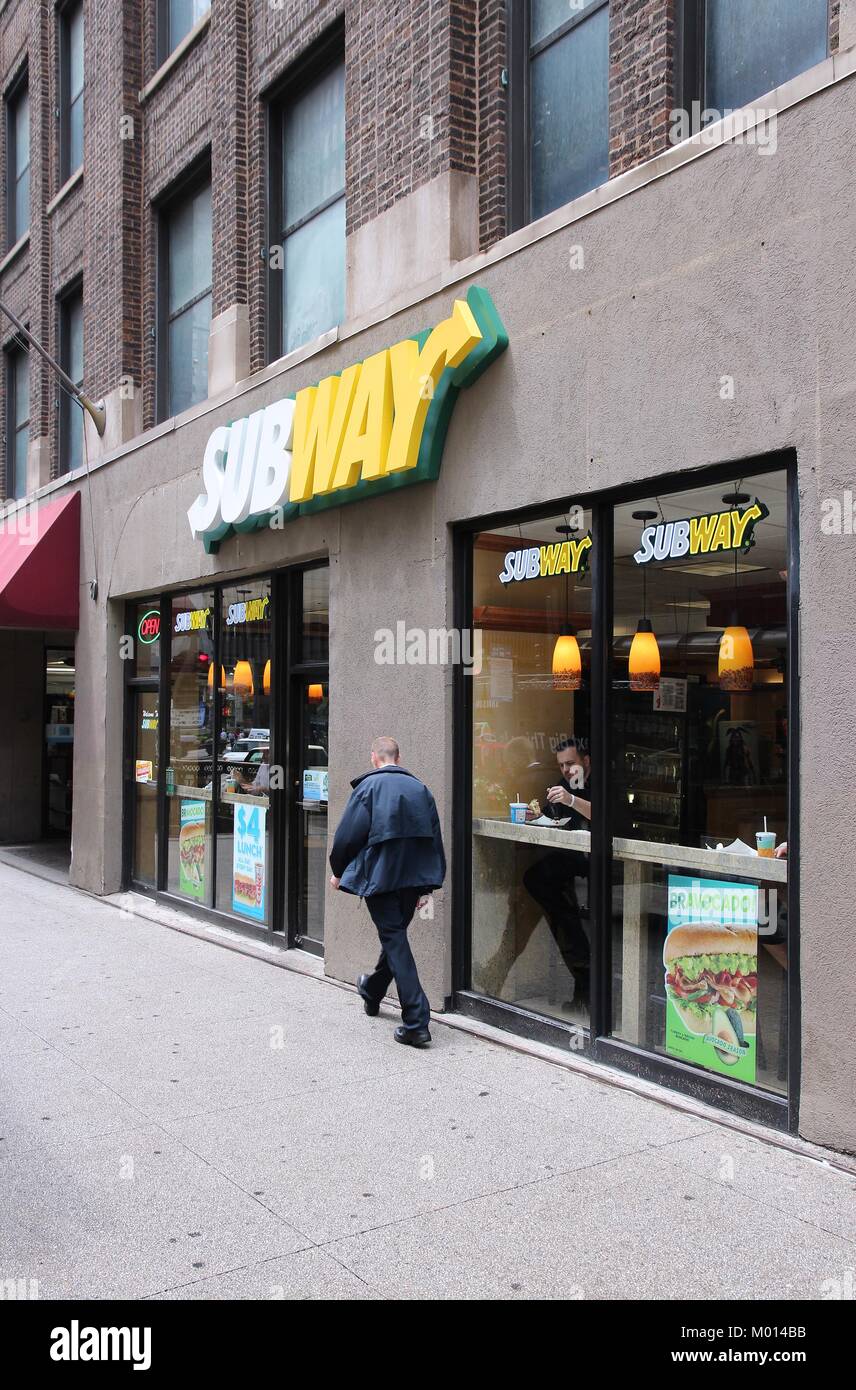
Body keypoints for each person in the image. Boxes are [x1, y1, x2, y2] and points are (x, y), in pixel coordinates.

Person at [329, 736, 446, 1048]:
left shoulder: (369, 788)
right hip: (411, 881)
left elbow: (347, 837)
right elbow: (433, 840)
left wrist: (338, 871)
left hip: (380, 879)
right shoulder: (421, 789)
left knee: (394, 940)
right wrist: (427, 885)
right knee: (393, 938)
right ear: (399, 756)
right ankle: (372, 989)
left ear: (373, 758)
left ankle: (416, 1021)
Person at [522, 736, 593, 1003]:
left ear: (586, 761)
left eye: (571, 763)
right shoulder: (564, 784)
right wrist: (535, 815)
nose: (566, 770)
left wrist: (572, 800)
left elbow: (608, 817)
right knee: (536, 879)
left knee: (567, 920)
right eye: (561, 765)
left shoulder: (597, 783)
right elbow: (549, 816)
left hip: (603, 863)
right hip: (571, 859)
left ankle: (585, 983)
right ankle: (564, 917)